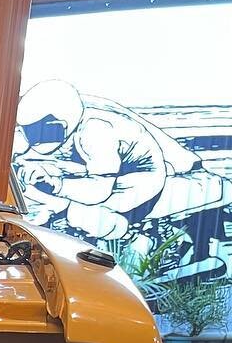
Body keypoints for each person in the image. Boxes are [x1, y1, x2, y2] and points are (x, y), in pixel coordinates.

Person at [14, 80, 204, 240]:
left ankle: (132, 238)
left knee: (79, 213)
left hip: (138, 177)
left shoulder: (96, 130)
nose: (36, 139)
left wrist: (58, 186)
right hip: (101, 171)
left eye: (44, 130)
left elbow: (99, 191)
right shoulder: (70, 123)